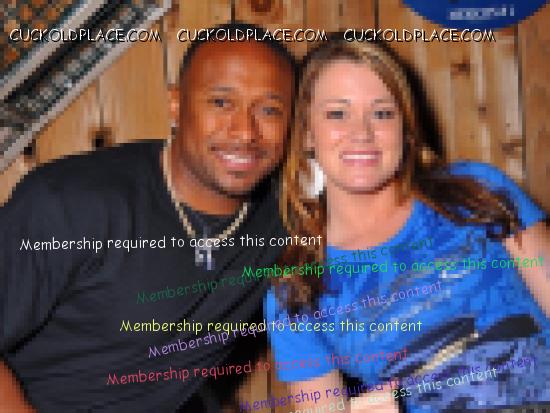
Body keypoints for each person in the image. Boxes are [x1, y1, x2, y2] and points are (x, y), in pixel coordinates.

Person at [0, 23, 295, 412]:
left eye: (269, 110)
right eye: (221, 102)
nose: (245, 132)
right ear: (176, 105)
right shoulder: (68, 203)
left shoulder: (286, 216)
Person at [266, 39, 550, 413]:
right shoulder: (295, 290)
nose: (362, 132)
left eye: (382, 113)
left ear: (405, 126)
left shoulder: (477, 191)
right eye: (337, 113)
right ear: (305, 132)